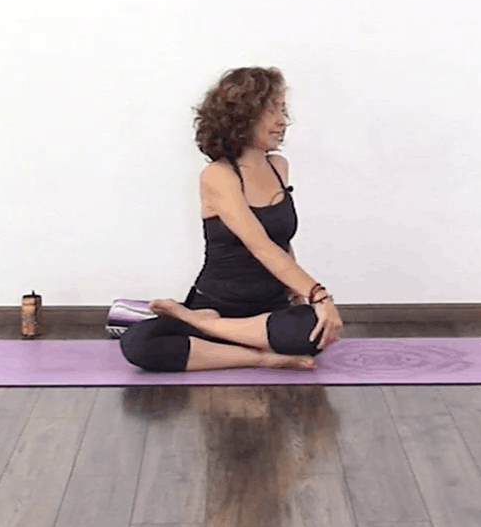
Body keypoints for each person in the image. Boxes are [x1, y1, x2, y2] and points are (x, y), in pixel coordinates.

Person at [119, 66, 344, 372]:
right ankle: (258, 355)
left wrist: (301, 299)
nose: (282, 120)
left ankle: (209, 332)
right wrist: (319, 295)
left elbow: (281, 242)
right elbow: (260, 245)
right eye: (271, 110)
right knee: (139, 343)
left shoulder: (279, 166)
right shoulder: (218, 175)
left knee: (314, 329)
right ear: (242, 116)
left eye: (282, 109)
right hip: (217, 306)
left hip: (269, 309)